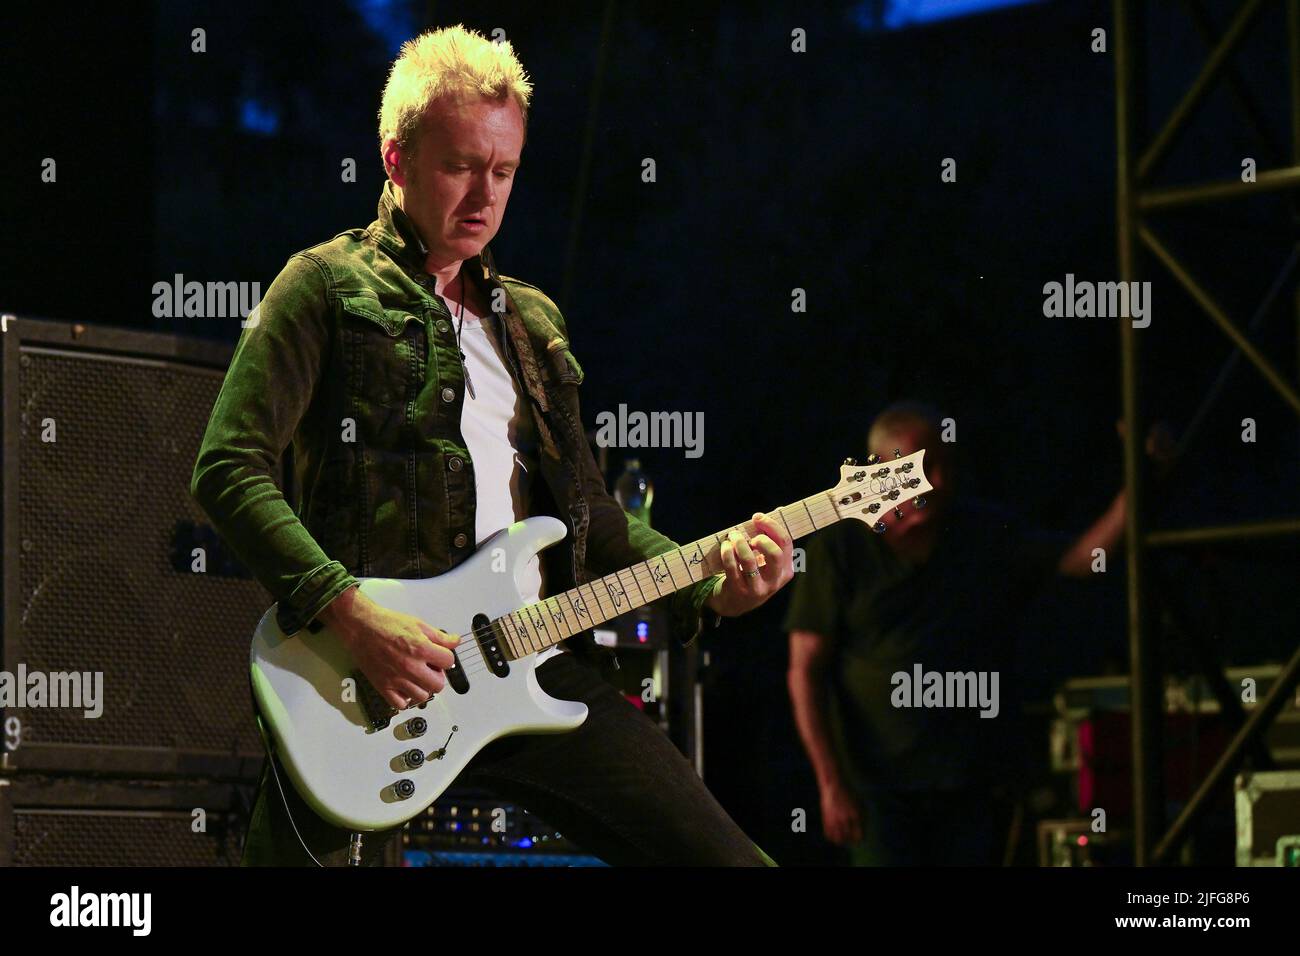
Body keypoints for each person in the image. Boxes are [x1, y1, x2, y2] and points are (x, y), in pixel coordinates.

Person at [191, 24, 793, 866]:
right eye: (460, 166)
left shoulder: (533, 322)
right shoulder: (324, 285)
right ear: (395, 159)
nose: (484, 196)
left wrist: (710, 585)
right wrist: (352, 614)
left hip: (533, 664)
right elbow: (227, 466)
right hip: (365, 674)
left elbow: (593, 523)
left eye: (503, 171)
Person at [783, 401, 1133, 865]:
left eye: (947, 463)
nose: (942, 480)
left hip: (971, 787)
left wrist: (1138, 486)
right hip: (876, 793)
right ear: (882, 470)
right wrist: (831, 785)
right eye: (925, 466)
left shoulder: (981, 531)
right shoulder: (840, 547)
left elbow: (1082, 560)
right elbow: (804, 671)